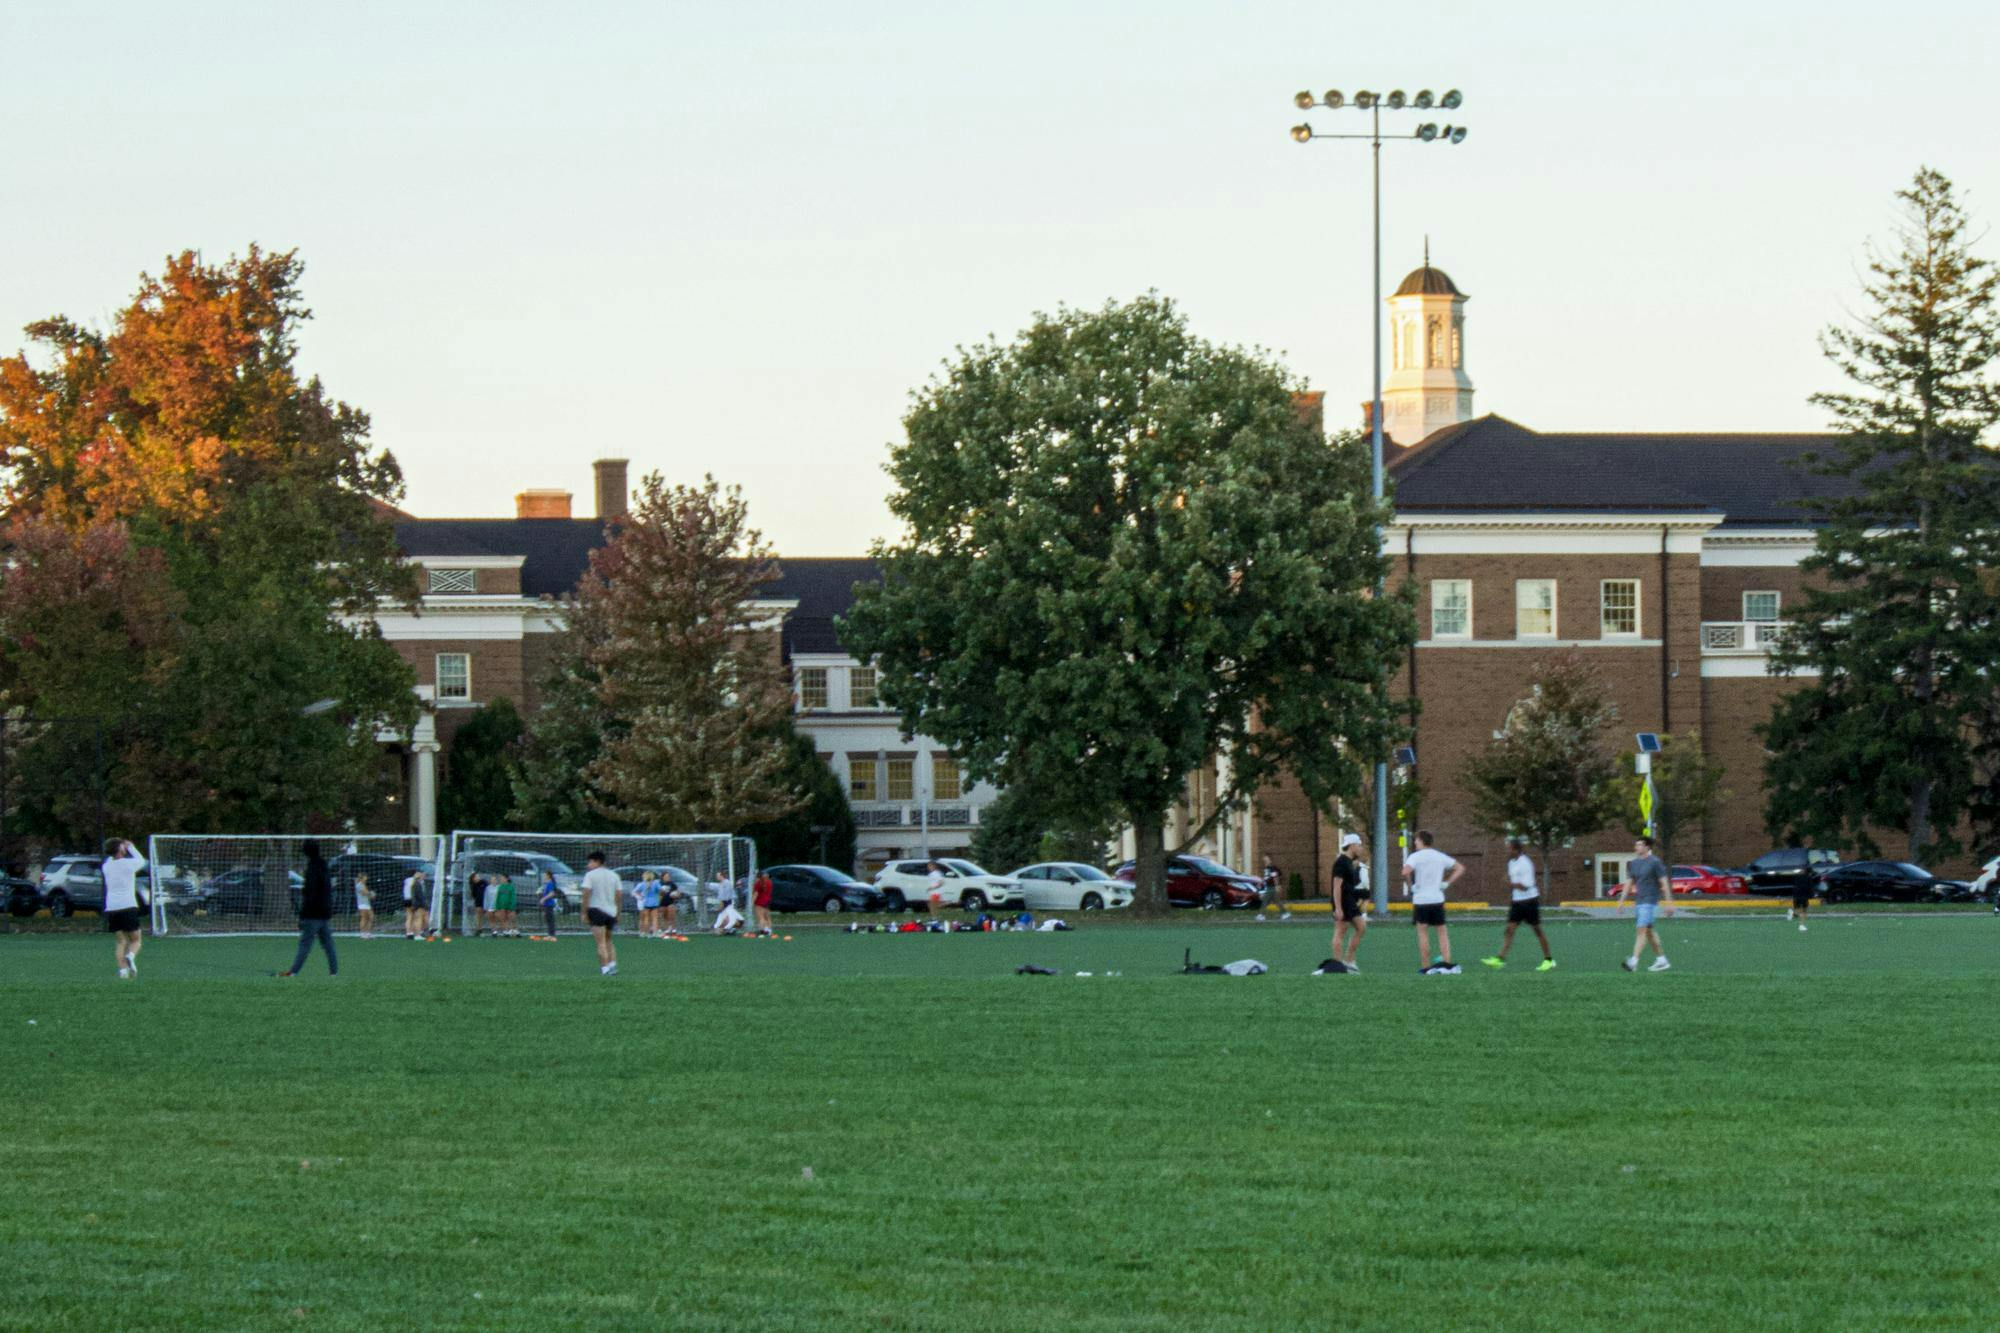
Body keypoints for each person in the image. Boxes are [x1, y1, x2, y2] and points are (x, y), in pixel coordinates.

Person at [1483, 838, 1556, 971]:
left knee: (1537, 931)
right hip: (1517, 902)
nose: (1507, 850)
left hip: (1530, 901)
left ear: (1516, 849)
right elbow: (1513, 879)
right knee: (1509, 930)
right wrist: (1509, 882)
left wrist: (1508, 883)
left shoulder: (1525, 863)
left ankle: (1548, 960)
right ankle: (1500, 959)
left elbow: (1526, 886)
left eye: (1509, 848)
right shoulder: (1511, 862)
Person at [1401, 830, 1463, 975]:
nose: (1415, 843)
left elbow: (1405, 872)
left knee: (1423, 933)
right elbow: (1459, 868)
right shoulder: (1439, 856)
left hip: (1421, 900)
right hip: (1437, 899)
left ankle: (1425, 967)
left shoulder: (1414, 857)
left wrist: (1411, 887)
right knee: (1442, 933)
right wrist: (1446, 883)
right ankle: (1447, 965)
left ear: (1422, 841)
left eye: (1416, 840)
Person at [280, 839, 338, 978]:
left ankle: (293, 972)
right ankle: (334, 973)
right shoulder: (324, 867)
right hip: (324, 913)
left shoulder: (312, 869)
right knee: (328, 945)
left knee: (305, 945)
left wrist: (302, 915)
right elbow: (327, 890)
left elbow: (310, 893)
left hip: (312, 914)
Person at [1620, 836, 1673, 972]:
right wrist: (1621, 901)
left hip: (1650, 901)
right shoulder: (1634, 863)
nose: (1636, 847)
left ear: (1647, 847)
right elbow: (1629, 883)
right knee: (1649, 932)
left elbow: (1664, 883)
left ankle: (1633, 962)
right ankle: (1662, 960)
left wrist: (1669, 903)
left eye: (1640, 845)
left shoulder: (1655, 862)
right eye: (1636, 845)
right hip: (1639, 901)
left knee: (1641, 930)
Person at [102, 837, 148, 980]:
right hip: (128, 905)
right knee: (136, 940)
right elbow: (142, 860)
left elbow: (111, 858)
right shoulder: (129, 864)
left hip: (111, 907)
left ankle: (123, 972)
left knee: (121, 941)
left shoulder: (106, 866)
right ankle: (131, 956)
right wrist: (132, 847)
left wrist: (120, 846)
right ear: (121, 849)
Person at [1330, 834, 1368, 971]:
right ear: (1352, 845)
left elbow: (1348, 885)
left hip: (1350, 901)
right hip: (1343, 902)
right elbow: (1336, 886)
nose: (1361, 848)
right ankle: (1337, 964)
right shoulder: (1341, 862)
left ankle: (1349, 960)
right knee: (1340, 931)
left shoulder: (1348, 862)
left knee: (1361, 927)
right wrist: (1338, 908)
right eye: (1359, 845)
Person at [581, 850, 621, 976]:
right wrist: (618, 913)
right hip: (611, 912)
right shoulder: (614, 875)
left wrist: (584, 912)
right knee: (609, 940)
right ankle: (612, 965)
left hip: (596, 910)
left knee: (601, 942)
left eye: (590, 862)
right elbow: (619, 896)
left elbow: (586, 893)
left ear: (597, 861)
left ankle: (605, 969)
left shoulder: (590, 875)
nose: (588, 865)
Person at [1257, 857, 1291, 922]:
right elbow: (1267, 877)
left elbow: (1275, 877)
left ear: (1270, 861)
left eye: (1267, 860)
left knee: (1265, 901)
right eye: (1264, 860)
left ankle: (1261, 915)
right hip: (1269, 887)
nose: (1265, 862)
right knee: (1276, 901)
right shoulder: (1267, 869)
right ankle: (1285, 913)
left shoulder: (1272, 868)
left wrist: (1277, 885)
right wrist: (1261, 882)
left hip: (1271, 887)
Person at [403, 868, 431, 939]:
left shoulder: (406, 881)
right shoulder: (415, 882)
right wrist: (424, 904)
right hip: (414, 901)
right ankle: (418, 934)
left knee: (409, 917)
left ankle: (409, 933)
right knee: (418, 918)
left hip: (406, 899)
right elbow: (418, 894)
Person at [537, 868, 563, 937]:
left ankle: (552, 935)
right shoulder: (548, 884)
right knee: (548, 919)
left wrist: (543, 899)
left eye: (545, 875)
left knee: (550, 920)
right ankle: (550, 934)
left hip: (549, 904)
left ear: (548, 876)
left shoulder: (550, 883)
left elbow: (552, 894)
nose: (544, 877)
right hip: (547, 904)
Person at [637, 870, 662, 938]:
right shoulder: (656, 883)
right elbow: (661, 890)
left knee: (646, 919)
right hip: (654, 903)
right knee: (655, 918)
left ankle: (647, 933)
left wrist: (641, 897)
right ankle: (655, 933)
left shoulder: (642, 884)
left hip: (646, 903)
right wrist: (659, 895)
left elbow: (636, 891)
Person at [493, 872, 518, 937]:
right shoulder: (500, 887)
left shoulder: (510, 887)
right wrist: (497, 906)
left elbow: (513, 898)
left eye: (502, 878)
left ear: (506, 879)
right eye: (501, 878)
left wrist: (511, 906)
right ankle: (505, 931)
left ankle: (515, 930)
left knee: (511, 917)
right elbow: (498, 897)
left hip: (509, 906)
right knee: (503, 918)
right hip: (501, 906)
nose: (501, 879)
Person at [752, 868, 775, 937]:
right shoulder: (769, 882)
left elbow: (756, 894)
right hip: (767, 901)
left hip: (759, 902)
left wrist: (752, 902)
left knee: (761, 917)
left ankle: (762, 931)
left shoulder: (758, 883)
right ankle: (769, 930)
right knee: (767, 917)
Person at [355, 872, 375, 940]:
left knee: (370, 918)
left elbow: (368, 895)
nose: (366, 878)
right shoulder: (359, 885)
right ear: (362, 878)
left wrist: (371, 895)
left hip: (366, 904)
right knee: (364, 918)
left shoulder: (363, 885)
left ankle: (368, 933)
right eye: (365, 877)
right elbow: (365, 893)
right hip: (362, 904)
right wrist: (371, 894)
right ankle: (363, 934)